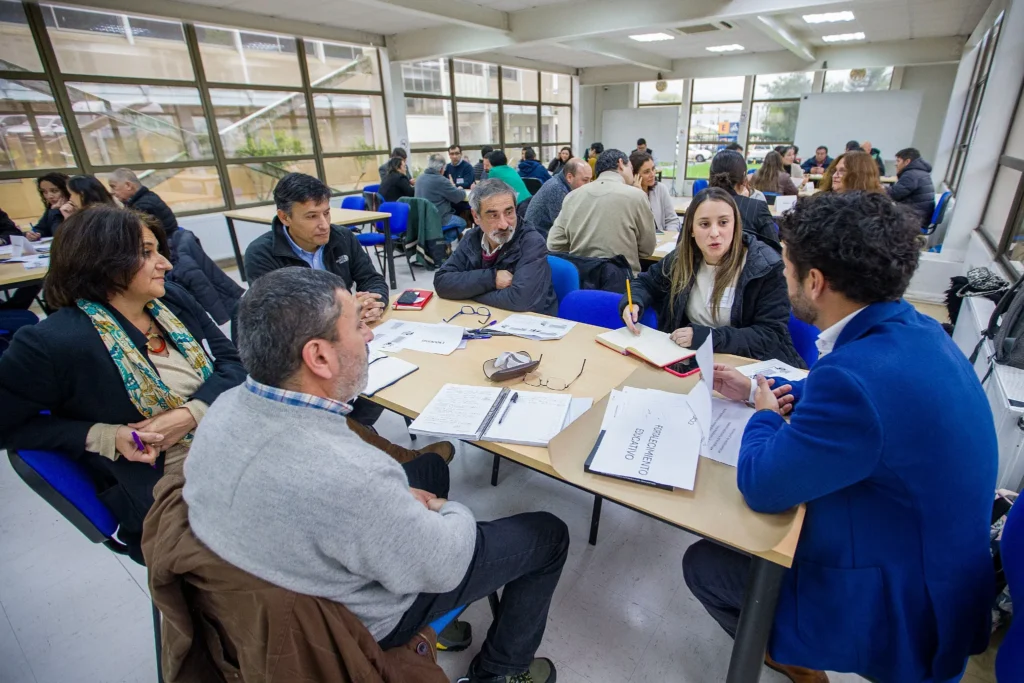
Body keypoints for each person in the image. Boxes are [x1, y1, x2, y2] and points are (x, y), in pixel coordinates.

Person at [183, 266, 568, 683]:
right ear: (319, 356)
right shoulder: (353, 475)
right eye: (357, 325)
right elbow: (446, 564)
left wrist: (399, 504)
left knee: (431, 467)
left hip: (279, 570)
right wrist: (445, 509)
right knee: (548, 535)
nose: (369, 335)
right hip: (363, 621)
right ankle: (501, 671)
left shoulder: (220, 410)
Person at [683, 190, 996, 683]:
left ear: (815, 281)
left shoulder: (855, 378)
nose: (782, 279)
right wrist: (758, 391)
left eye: (787, 269)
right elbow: (839, 392)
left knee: (707, 562)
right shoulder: (914, 326)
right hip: (943, 566)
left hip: (905, 598)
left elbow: (763, 484)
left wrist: (764, 415)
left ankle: (795, 663)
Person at [0, 205, 246, 561]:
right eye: (147, 253)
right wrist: (103, 435)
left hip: (228, 442)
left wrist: (191, 414)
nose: (166, 264)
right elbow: (7, 426)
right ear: (102, 261)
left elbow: (233, 364)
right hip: (163, 490)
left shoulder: (171, 301)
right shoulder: (53, 343)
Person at [620, 187, 801, 365]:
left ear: (736, 225)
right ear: (691, 229)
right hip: (693, 361)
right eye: (704, 224)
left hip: (752, 366)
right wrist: (633, 300)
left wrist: (707, 337)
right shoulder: (682, 259)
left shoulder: (766, 266)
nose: (714, 233)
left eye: (723, 223)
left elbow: (769, 335)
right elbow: (646, 282)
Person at [435, 179, 557, 316]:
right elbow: (442, 282)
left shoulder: (532, 242)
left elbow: (521, 300)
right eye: (493, 215)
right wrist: (492, 279)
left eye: (509, 213)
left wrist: (467, 293)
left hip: (530, 323)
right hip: (486, 317)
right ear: (476, 216)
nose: (504, 225)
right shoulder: (472, 237)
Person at [547, 149, 656, 276]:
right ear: (621, 163)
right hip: (623, 284)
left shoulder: (572, 196)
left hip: (582, 282)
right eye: (631, 168)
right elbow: (647, 250)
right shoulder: (637, 196)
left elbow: (554, 244)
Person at [705, 150, 780, 251]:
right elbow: (775, 251)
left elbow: (681, 249)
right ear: (744, 179)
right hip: (748, 265)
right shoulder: (756, 208)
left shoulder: (697, 206)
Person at [524, 158, 591, 237]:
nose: (589, 184)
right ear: (569, 177)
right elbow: (565, 229)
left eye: (590, 180)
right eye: (585, 180)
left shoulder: (561, 184)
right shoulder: (557, 189)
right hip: (538, 238)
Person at [108, 168, 178, 233]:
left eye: (113, 187)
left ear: (128, 185)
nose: (112, 192)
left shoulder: (142, 206)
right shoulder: (146, 197)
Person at [415, 153, 470, 229]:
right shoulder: (441, 180)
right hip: (439, 218)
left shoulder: (419, 178)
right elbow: (458, 197)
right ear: (441, 169)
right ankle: (443, 240)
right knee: (462, 223)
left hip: (421, 219)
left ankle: (437, 238)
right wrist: (459, 189)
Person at [630, 151, 679, 232]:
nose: (652, 174)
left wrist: (669, 237)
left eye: (653, 169)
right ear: (635, 175)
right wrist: (639, 194)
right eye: (646, 172)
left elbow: (672, 220)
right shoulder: (629, 195)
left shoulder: (660, 188)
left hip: (663, 240)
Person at [889, 147, 936, 230]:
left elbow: (894, 194)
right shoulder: (920, 172)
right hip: (920, 216)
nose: (896, 164)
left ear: (907, 162)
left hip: (913, 218)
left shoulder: (911, 174)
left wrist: (880, 188)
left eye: (898, 161)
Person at [26, 172, 70, 240]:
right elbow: (41, 228)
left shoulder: (75, 208)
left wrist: (56, 212)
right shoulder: (51, 209)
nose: (49, 196)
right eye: (44, 192)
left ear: (66, 190)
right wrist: (35, 234)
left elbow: (59, 235)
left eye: (54, 191)